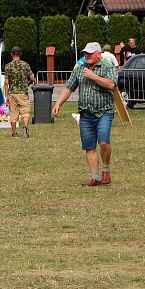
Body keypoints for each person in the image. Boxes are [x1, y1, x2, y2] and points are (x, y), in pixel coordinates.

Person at [53, 42, 117, 186]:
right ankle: (95, 177)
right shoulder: (80, 69)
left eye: (90, 53)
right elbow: (69, 87)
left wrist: (93, 76)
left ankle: (106, 170)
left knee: (104, 142)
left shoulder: (108, 67)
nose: (86, 55)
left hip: (104, 112)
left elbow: (111, 84)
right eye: (85, 53)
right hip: (85, 113)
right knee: (89, 146)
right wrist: (58, 104)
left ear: (99, 54)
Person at [2, 46, 35, 139]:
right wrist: (29, 83)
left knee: (13, 112)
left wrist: (6, 95)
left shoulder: (8, 66)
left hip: (12, 93)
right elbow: (32, 78)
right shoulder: (25, 65)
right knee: (25, 111)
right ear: (21, 54)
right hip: (23, 92)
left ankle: (14, 133)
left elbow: (6, 82)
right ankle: (25, 126)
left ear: (11, 54)